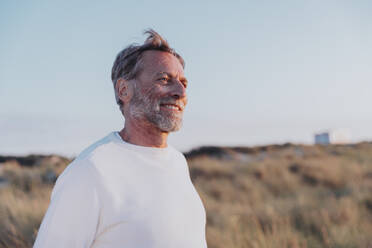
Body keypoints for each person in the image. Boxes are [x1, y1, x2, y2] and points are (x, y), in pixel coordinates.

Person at [33, 29, 207, 248]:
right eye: (164, 79)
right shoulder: (90, 171)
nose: (181, 93)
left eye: (184, 83)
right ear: (124, 90)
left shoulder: (177, 162)